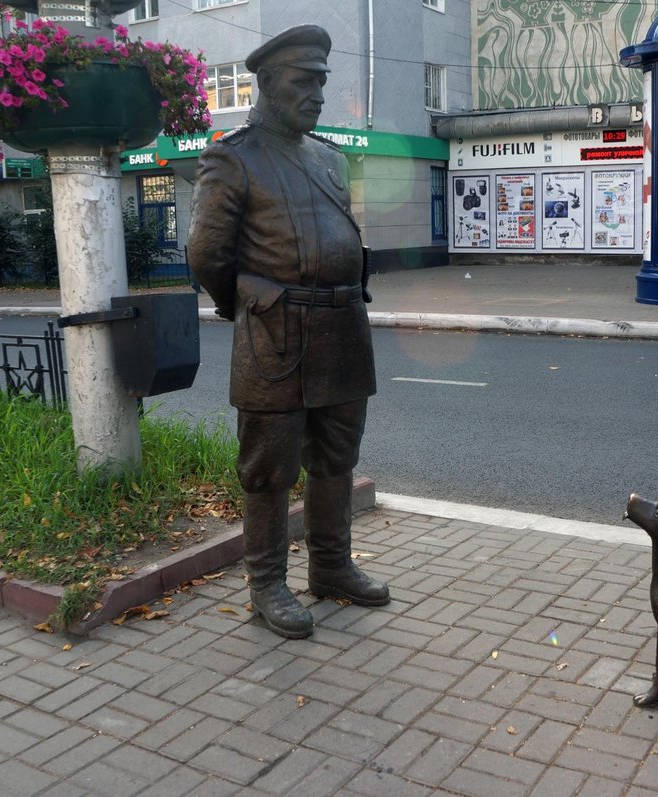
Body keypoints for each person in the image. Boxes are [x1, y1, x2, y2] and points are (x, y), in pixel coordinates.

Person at [187, 25, 388, 639]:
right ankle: (267, 584)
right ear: (268, 83)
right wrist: (247, 303)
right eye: (304, 82)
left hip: (342, 328)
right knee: (269, 469)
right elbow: (206, 254)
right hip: (275, 336)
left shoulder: (329, 156)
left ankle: (330, 567)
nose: (317, 95)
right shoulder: (235, 157)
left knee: (336, 458)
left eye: (321, 83)